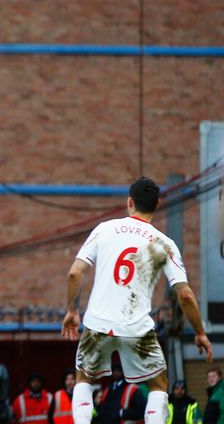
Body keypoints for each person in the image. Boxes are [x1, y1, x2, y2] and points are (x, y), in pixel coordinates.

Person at [61, 177, 214, 424]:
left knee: (84, 379)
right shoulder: (165, 244)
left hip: (98, 324)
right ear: (157, 205)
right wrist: (200, 332)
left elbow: (74, 273)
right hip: (137, 328)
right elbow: (184, 294)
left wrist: (72, 311)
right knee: (158, 384)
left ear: (129, 202)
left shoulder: (104, 229)